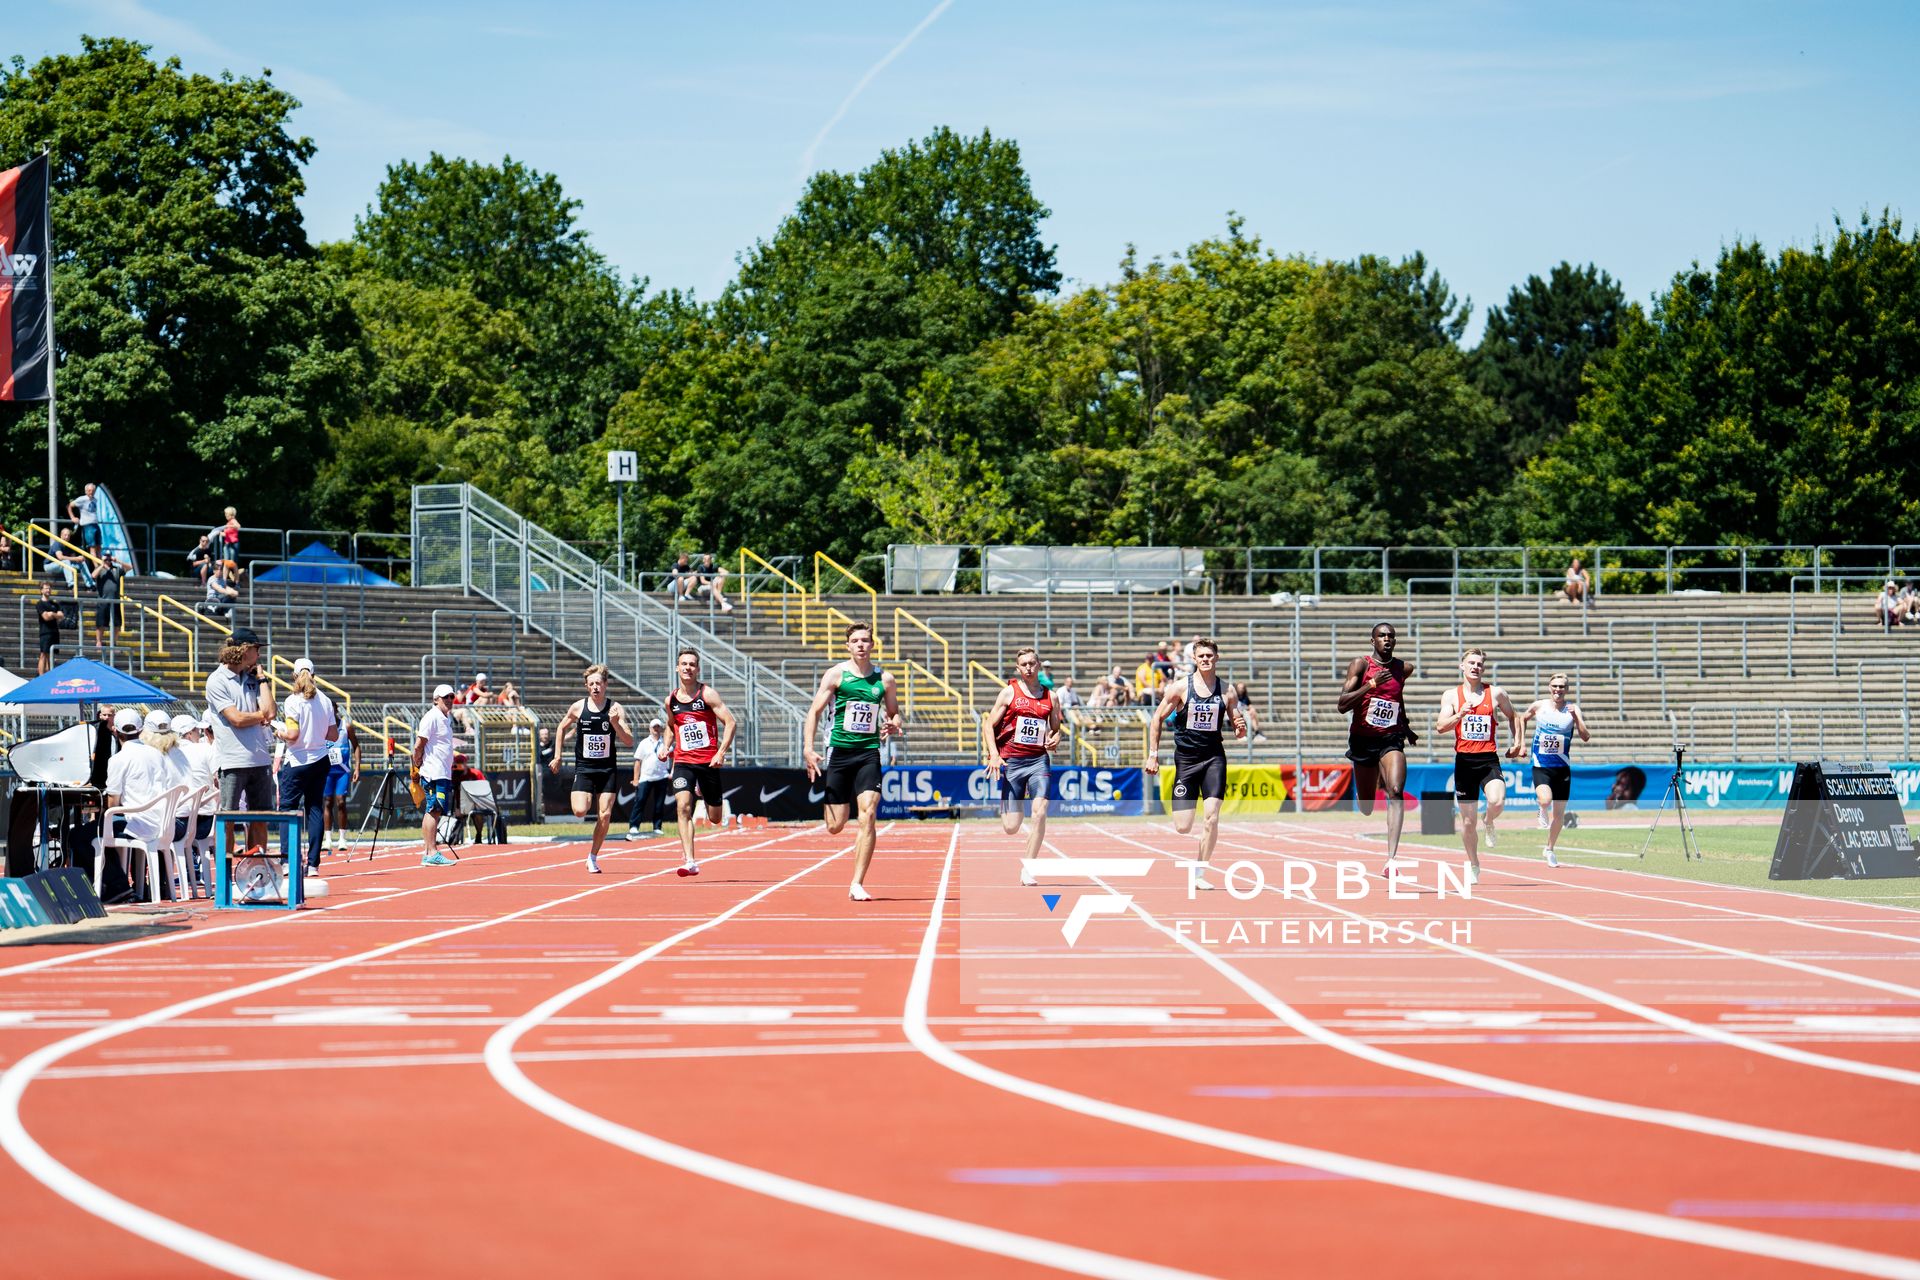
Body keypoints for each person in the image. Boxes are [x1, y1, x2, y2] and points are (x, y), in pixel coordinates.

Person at [804, 622, 903, 902]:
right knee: (835, 826)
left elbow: (894, 713)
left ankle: (857, 883)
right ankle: (836, 806)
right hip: (839, 752)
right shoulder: (836, 675)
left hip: (869, 753)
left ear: (872, 645)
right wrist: (808, 748)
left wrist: (894, 724)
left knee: (868, 814)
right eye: (856, 641)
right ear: (848, 646)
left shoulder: (885, 680)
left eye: (865, 640)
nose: (861, 645)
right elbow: (814, 712)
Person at [1144, 638, 1246, 888]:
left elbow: (1237, 723)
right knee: (1183, 826)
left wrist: (1240, 728)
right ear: (1194, 659)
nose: (1205, 659)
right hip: (1187, 760)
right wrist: (1153, 754)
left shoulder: (1227, 690)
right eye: (1201, 656)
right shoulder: (1181, 687)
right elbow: (1156, 719)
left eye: (1210, 656)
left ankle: (1199, 873)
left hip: (1214, 758)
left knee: (1211, 818)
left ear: (1217, 658)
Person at [1434, 648, 1519, 885]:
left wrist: (1517, 742)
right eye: (1471, 663)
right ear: (1462, 666)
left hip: (1488, 759)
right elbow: (1440, 726)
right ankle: (1473, 864)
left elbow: (1514, 716)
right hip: (1464, 763)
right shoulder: (1451, 696)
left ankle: (1489, 821)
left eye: (1479, 664)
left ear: (1483, 668)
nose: (1475, 667)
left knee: (1497, 801)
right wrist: (1460, 714)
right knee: (1467, 823)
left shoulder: (1496, 693)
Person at [1336, 624, 1419, 866]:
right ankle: (1368, 786)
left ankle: (1391, 858)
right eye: (1381, 636)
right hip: (1363, 740)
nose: (1386, 639)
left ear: (1395, 641)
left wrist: (1406, 727)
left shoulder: (1403, 668)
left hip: (1391, 739)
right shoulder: (1360, 665)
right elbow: (1342, 705)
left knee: (1396, 791)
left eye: (1390, 636)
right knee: (1366, 806)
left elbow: (1396, 698)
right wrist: (1371, 684)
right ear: (1373, 641)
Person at [983, 647, 1062, 886]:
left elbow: (1056, 729)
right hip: (1013, 762)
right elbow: (988, 725)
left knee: (1040, 811)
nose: (1028, 668)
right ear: (1018, 669)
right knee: (1011, 827)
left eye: (1032, 663)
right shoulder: (1009, 693)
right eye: (1024, 664)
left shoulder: (1052, 697)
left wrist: (1056, 738)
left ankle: (1029, 868)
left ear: (1038, 665)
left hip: (1038, 760)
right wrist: (994, 755)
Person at [550, 664, 637, 874]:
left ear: (605, 684)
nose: (595, 687)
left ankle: (593, 857)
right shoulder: (578, 707)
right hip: (585, 768)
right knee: (580, 810)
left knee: (605, 815)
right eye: (591, 684)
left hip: (607, 769)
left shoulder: (615, 708)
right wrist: (558, 756)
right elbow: (561, 727)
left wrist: (615, 723)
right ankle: (585, 795)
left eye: (599, 683)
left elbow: (629, 741)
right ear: (587, 686)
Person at [663, 649, 738, 876]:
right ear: (677, 668)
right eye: (684, 664)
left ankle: (702, 791)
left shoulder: (707, 694)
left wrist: (721, 752)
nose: (688, 668)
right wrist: (665, 747)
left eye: (692, 664)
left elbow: (731, 722)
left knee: (715, 818)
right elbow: (671, 726)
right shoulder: (671, 700)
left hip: (708, 763)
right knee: (683, 807)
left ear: (697, 669)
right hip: (683, 761)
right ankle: (690, 860)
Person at [205, 627, 277, 854]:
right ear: (245, 650)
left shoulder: (253, 677)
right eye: (257, 649)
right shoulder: (217, 680)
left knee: (260, 818)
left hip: (260, 759)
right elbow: (236, 718)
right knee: (228, 818)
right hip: (232, 760)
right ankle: (225, 870)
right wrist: (261, 716)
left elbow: (271, 711)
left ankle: (257, 868)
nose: (260, 654)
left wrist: (263, 679)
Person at [1510, 673, 1591, 867]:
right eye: (1555, 686)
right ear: (1549, 687)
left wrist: (1576, 717)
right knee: (1545, 800)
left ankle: (1550, 849)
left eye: (1562, 686)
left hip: (1562, 768)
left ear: (1567, 689)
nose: (1558, 689)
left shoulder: (1573, 709)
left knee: (1559, 815)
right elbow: (1521, 718)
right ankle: (1541, 808)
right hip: (1541, 765)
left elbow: (1586, 736)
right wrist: (1521, 743)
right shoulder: (1539, 706)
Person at [102, 709, 181, 900]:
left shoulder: (118, 759)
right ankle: (127, 885)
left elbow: (113, 804)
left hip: (138, 825)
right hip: (163, 823)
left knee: (84, 835)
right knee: (104, 828)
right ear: (140, 730)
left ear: (115, 731)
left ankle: (116, 887)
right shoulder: (157, 754)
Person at [278, 658, 340, 872]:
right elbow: (333, 735)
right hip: (320, 759)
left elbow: (293, 734)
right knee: (314, 809)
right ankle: (313, 864)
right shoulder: (325, 700)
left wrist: (279, 732)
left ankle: (287, 860)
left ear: (294, 676)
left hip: (297, 760)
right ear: (314, 675)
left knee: (288, 809)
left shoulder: (292, 700)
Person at [168, 713, 217, 895]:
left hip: (177, 820)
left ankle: (162, 882)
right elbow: (218, 779)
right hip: (205, 820)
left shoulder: (166, 754)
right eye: (197, 730)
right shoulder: (205, 749)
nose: (200, 733)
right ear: (189, 733)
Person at [414, 683, 460, 866]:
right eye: (445, 697)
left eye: (451, 697)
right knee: (434, 809)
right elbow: (419, 744)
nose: (449, 700)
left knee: (432, 809)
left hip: (441, 772)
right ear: (436, 699)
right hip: (434, 772)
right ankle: (432, 851)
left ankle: (428, 852)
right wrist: (417, 764)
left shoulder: (445, 718)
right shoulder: (432, 717)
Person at [626, 719, 673, 840]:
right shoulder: (644, 743)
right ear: (650, 729)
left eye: (658, 727)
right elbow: (638, 761)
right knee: (640, 801)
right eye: (654, 727)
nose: (656, 729)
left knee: (659, 804)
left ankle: (657, 827)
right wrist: (635, 779)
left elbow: (675, 756)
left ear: (661, 728)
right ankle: (634, 826)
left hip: (662, 776)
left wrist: (672, 772)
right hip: (646, 777)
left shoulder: (666, 743)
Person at [323, 717, 361, 858]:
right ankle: (327, 839)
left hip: (342, 771)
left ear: (336, 710)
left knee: (341, 801)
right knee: (327, 802)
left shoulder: (346, 727)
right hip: (327, 771)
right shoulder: (322, 725)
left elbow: (356, 746)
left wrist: (357, 768)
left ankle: (342, 838)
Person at [90, 552, 127, 651]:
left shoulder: (116, 569)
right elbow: (93, 575)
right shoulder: (100, 569)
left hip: (115, 601)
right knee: (100, 623)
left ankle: (114, 643)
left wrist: (118, 561)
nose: (108, 561)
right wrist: (102, 564)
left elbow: (129, 567)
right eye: (106, 559)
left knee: (117, 624)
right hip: (103, 601)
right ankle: (99, 642)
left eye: (109, 559)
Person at [35, 581, 67, 676]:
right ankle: (41, 675)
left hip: (54, 632)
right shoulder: (40, 604)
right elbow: (46, 617)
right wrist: (54, 615)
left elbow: (61, 616)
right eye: (46, 588)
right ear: (41, 590)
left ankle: (48, 674)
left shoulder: (55, 604)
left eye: (49, 588)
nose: (48, 590)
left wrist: (52, 614)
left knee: (50, 655)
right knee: (43, 654)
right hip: (45, 632)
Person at [68, 482, 100, 552]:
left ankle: (99, 559)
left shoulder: (95, 500)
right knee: (92, 547)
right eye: (89, 490)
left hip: (95, 524)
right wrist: (72, 517)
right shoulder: (82, 499)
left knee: (99, 546)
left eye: (93, 490)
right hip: (88, 525)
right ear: (86, 491)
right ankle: (94, 559)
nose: (91, 492)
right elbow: (69, 506)